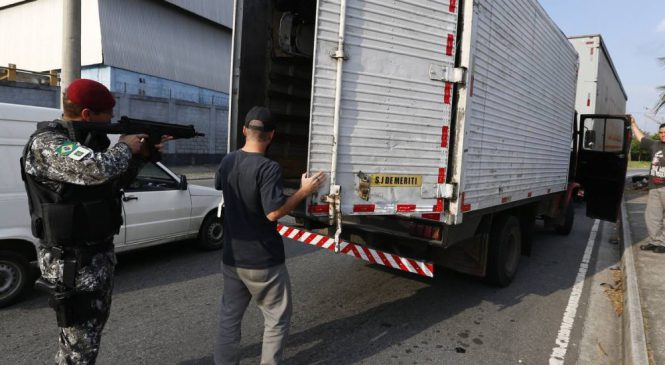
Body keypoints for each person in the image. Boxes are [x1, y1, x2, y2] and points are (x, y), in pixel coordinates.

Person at [21, 78, 168, 364]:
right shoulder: (48, 144)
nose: (112, 120)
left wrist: (144, 156)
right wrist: (126, 146)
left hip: (95, 256)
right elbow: (97, 169)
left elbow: (111, 182)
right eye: (107, 115)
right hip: (71, 263)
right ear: (87, 115)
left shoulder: (85, 141)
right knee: (78, 350)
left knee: (86, 338)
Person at [214, 106, 326, 365]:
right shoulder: (268, 168)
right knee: (276, 319)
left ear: (244, 130)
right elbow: (273, 213)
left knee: (229, 318)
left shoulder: (228, 160)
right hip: (263, 260)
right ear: (272, 135)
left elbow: (221, 184)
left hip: (232, 257)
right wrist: (303, 191)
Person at [631, 116, 665, 253]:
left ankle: (663, 243)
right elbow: (641, 138)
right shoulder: (655, 145)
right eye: (661, 132)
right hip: (654, 187)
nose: (663, 135)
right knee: (652, 216)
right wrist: (633, 124)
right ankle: (655, 241)